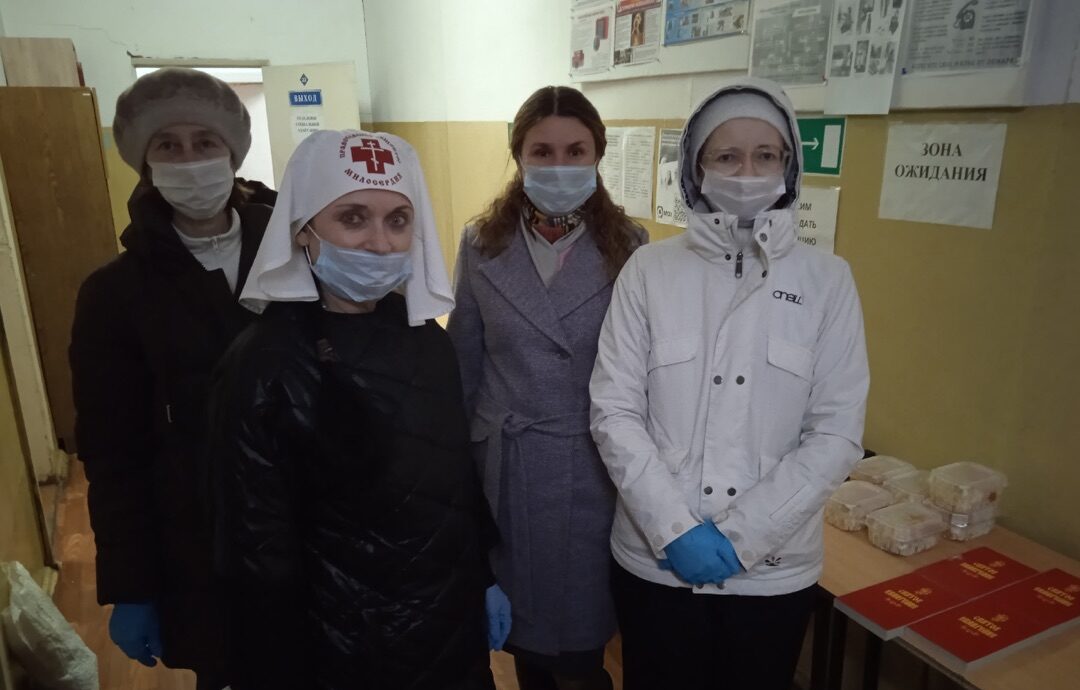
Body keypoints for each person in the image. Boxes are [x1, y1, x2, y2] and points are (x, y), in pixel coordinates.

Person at [590, 77, 869, 690]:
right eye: (727, 156)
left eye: (765, 155)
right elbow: (614, 409)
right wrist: (676, 529)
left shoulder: (827, 281)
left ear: (789, 167)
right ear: (697, 169)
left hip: (773, 572)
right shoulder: (649, 270)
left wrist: (744, 537)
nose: (747, 172)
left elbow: (837, 431)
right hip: (656, 563)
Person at [211, 129, 500, 690]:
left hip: (447, 627)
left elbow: (455, 480)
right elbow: (256, 550)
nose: (380, 243)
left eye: (398, 220)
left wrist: (484, 575)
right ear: (304, 231)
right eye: (353, 218)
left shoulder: (426, 339)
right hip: (341, 647)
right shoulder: (262, 365)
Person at [69, 67, 275, 688]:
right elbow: (113, 452)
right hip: (195, 543)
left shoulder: (295, 257)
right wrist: (131, 584)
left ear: (232, 152)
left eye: (205, 142)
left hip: (307, 530)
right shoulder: (114, 294)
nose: (189, 159)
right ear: (144, 162)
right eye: (168, 145)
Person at [447, 86, 646, 690]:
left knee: (582, 647)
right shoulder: (481, 244)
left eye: (575, 151)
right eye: (542, 151)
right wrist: (454, 474)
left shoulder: (630, 247)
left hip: (591, 466)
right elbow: (464, 362)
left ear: (597, 155)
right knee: (525, 638)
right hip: (506, 466)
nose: (559, 165)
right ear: (519, 155)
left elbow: (644, 372)